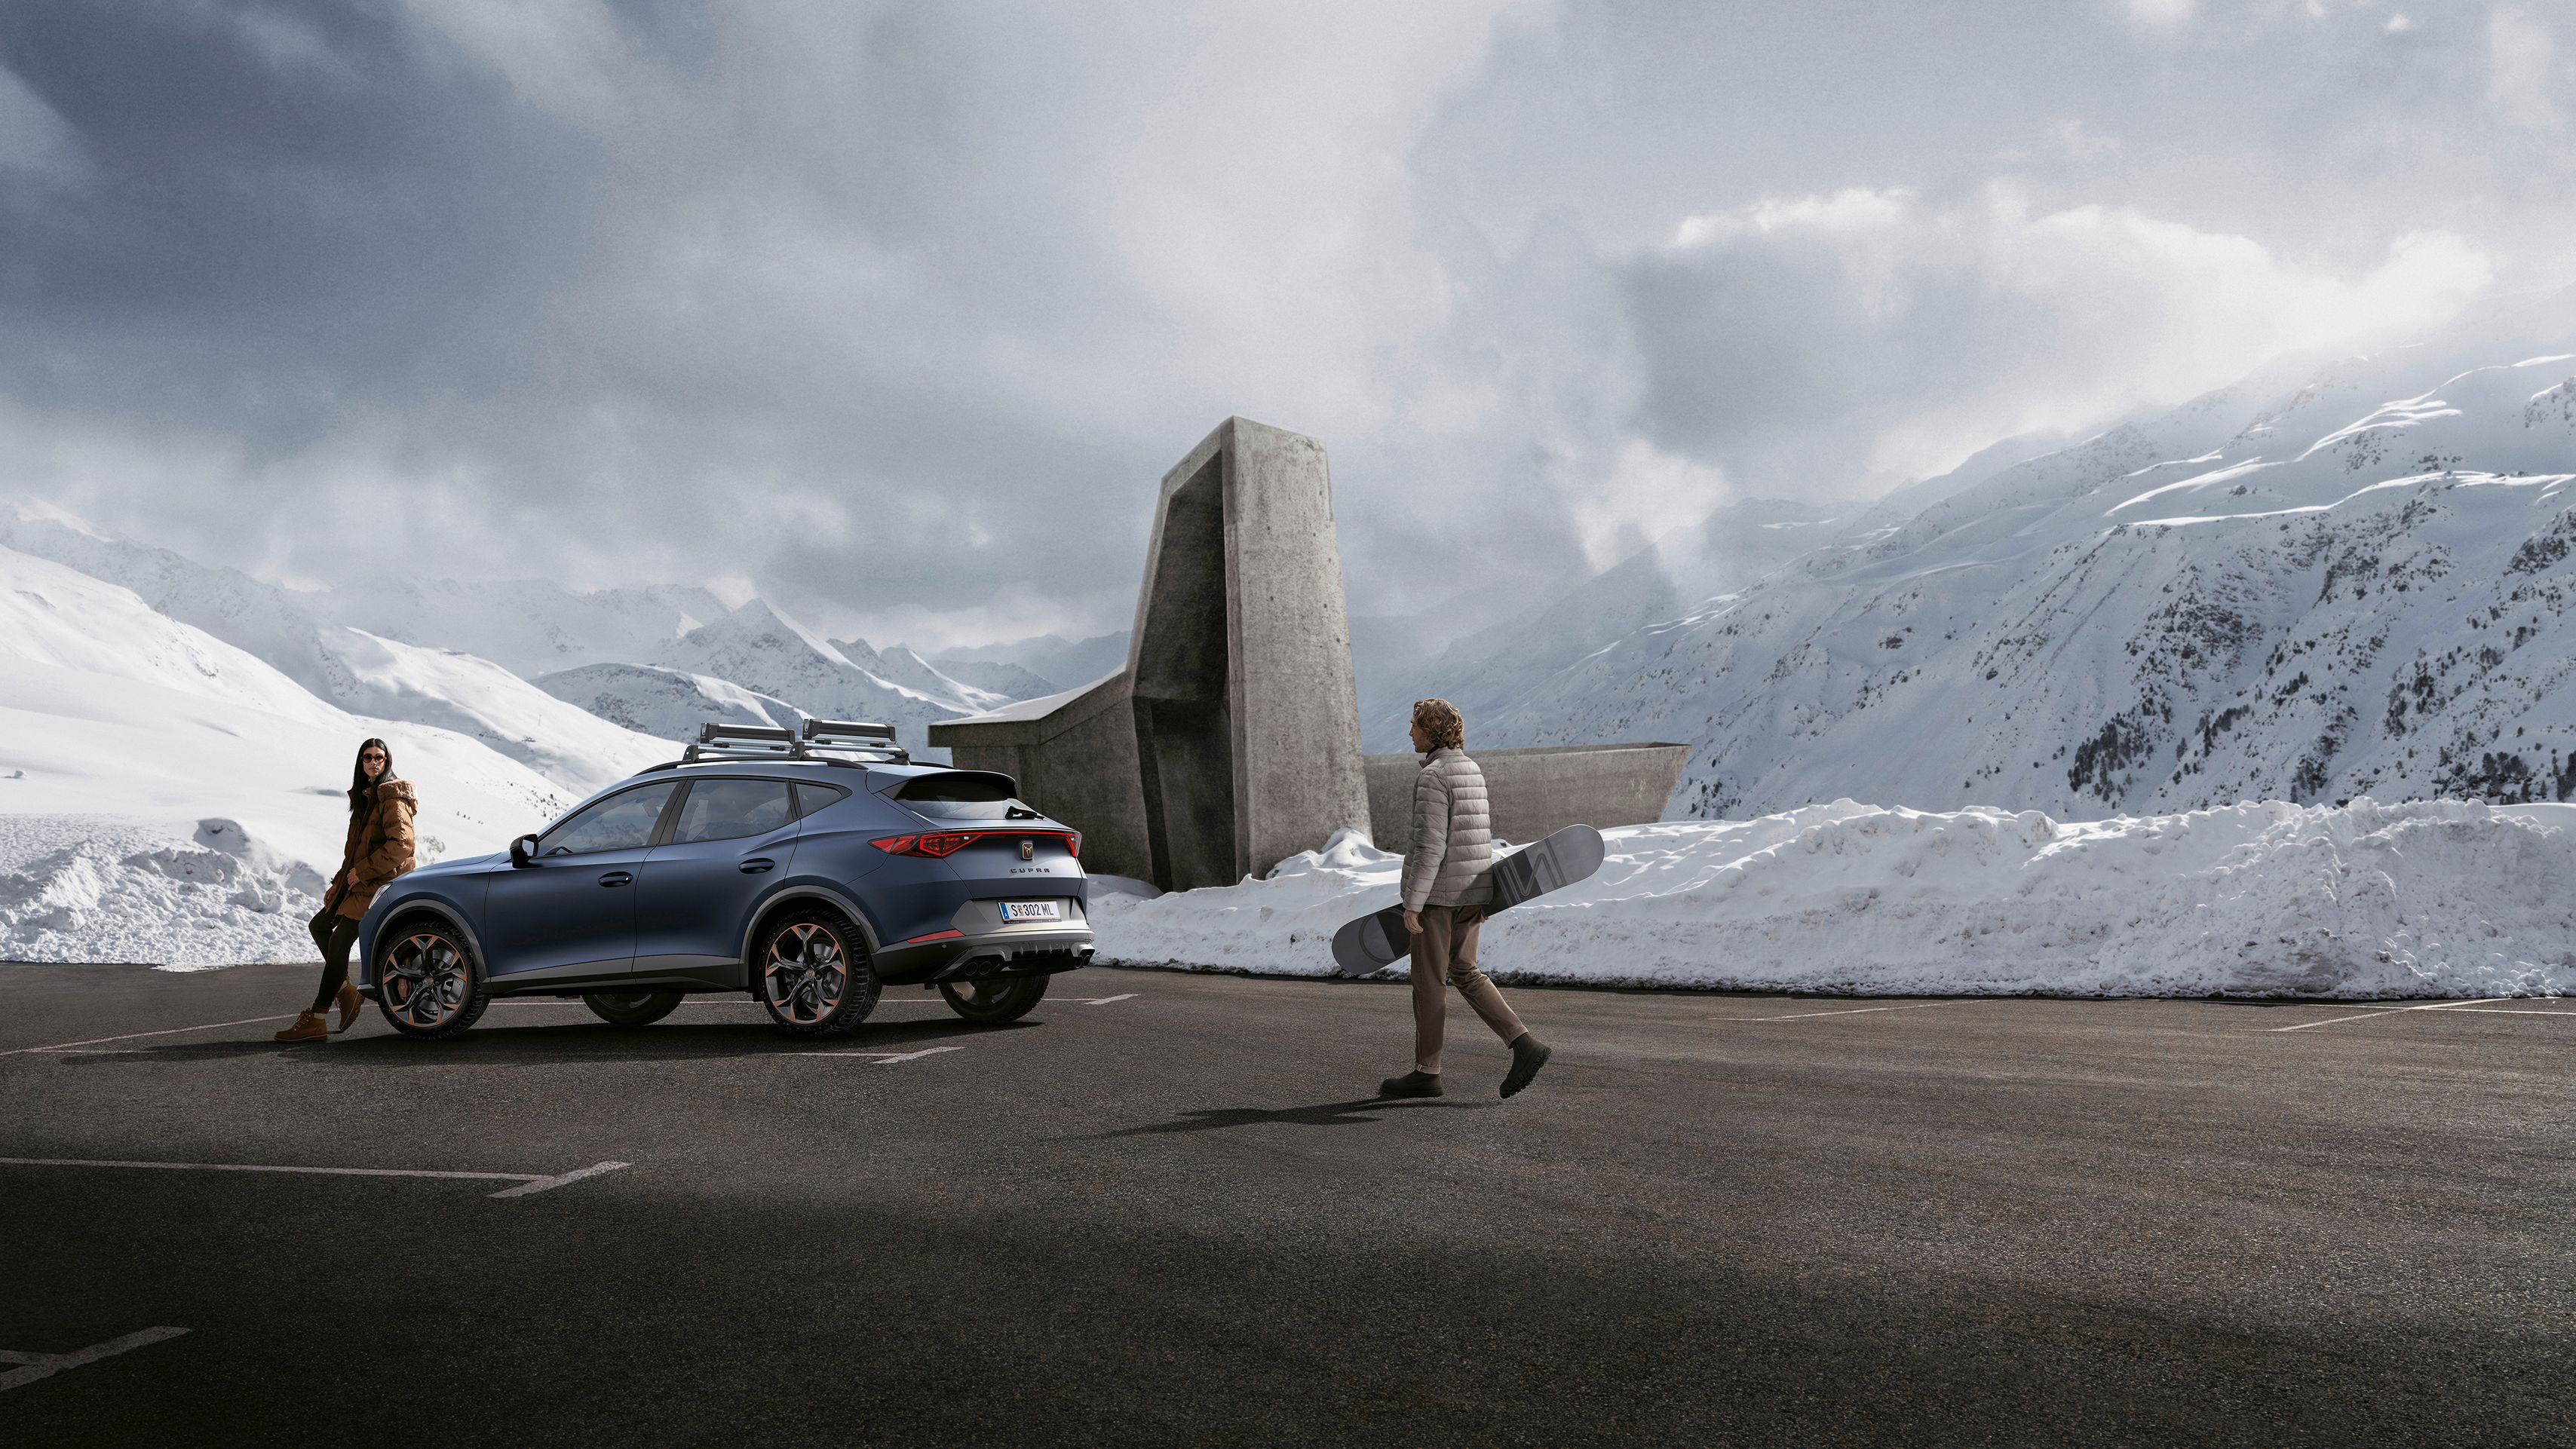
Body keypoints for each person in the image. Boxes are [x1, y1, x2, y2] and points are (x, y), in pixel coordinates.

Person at [1379, 698, 1552, 1100]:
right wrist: (1483, 896)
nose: (1410, 733)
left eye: (1415, 726)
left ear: (1432, 731)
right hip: (1472, 891)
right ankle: (1524, 1044)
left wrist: (1413, 903)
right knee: (1465, 970)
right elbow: (1476, 838)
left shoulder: (1434, 777)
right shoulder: (1471, 769)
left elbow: (1431, 847)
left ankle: (1427, 1071)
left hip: (1439, 896)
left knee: (1428, 983)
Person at [274, 738, 418, 1043]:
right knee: (320, 926)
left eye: (380, 757)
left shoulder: (392, 798)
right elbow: (354, 851)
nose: (373, 763)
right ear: (360, 763)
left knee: (339, 942)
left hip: (382, 884)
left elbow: (402, 845)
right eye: (367, 758)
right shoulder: (367, 798)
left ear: (387, 761)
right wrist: (344, 880)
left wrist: (362, 872)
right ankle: (346, 992)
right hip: (361, 881)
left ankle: (317, 1018)